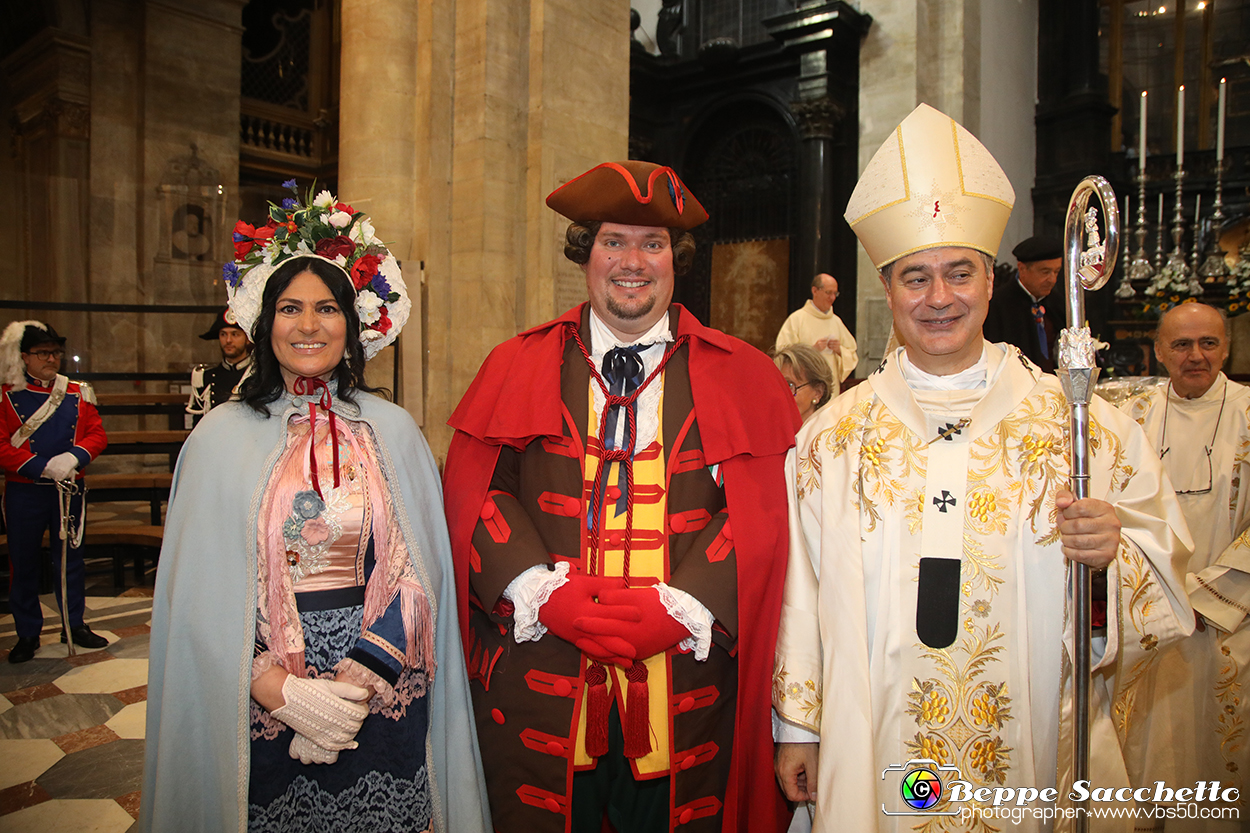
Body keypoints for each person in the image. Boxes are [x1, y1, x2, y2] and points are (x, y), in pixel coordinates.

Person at [771, 103, 1193, 832]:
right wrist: (799, 724)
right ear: (888, 289)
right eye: (916, 278)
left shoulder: (1086, 429)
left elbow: (1158, 584)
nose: (940, 298)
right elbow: (803, 586)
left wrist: (1110, 553)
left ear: (990, 281)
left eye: (959, 273)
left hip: (1028, 752)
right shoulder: (831, 438)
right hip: (877, 748)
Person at [444, 160, 799, 833]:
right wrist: (540, 590)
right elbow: (477, 493)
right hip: (542, 686)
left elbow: (765, 512)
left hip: (687, 692)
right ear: (585, 253)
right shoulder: (515, 362)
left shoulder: (745, 375)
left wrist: (686, 605)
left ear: (677, 258)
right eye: (613, 240)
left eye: (653, 243)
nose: (632, 261)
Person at [141, 185, 490, 833]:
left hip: (382, 691)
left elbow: (421, 572)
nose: (308, 326)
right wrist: (277, 688)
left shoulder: (393, 430)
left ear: (352, 322)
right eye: (291, 308)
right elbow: (198, 598)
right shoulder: (219, 439)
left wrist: (360, 679)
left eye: (327, 308)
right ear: (263, 321)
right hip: (261, 698)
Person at [1121, 302, 1250, 825]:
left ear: (1227, 347)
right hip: (1151, 612)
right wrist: (1158, 593)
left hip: (1229, 614)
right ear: (1158, 350)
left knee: (1217, 740)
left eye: (1209, 344)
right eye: (1181, 345)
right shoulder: (1130, 417)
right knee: (1152, 742)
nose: (1196, 356)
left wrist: (1207, 594)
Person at [0, 321, 109, 663]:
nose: (51, 359)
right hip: (25, 490)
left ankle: (73, 623)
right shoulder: (6, 395)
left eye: (55, 352)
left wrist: (74, 457)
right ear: (24, 357)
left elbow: (96, 435)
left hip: (68, 489)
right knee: (24, 561)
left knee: (71, 561)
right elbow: (2, 446)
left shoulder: (76, 392)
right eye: (43, 353)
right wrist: (40, 466)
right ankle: (27, 632)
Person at [982, 235, 1064, 372]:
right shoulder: (998, 305)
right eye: (1045, 272)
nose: (1052, 279)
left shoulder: (1057, 302)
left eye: (1056, 272)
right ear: (1022, 269)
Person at [774, 273, 858, 385]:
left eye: (835, 293)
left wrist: (839, 350)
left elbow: (852, 353)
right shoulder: (797, 319)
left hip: (830, 386)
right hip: (804, 385)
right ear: (814, 291)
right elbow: (783, 354)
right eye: (828, 292)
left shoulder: (836, 322)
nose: (832, 298)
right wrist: (812, 351)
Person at [185, 306, 253, 425]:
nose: (228, 340)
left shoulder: (258, 375)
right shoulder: (205, 377)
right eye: (223, 334)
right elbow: (198, 427)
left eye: (235, 334)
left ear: (247, 339)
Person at [773, 344, 834, 424]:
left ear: (818, 392)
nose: (780, 395)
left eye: (789, 385)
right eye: (776, 386)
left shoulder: (828, 434)